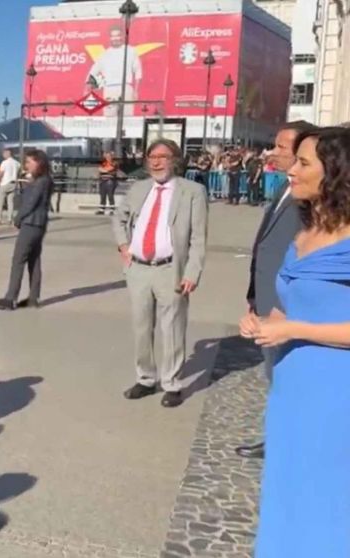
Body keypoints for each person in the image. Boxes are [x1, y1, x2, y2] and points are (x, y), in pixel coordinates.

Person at [242, 127, 350, 556]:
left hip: (336, 393)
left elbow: (308, 323)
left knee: (328, 498)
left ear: (336, 172)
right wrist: (267, 322)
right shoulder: (305, 230)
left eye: (304, 163)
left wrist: (293, 330)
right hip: (292, 389)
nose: (292, 170)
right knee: (288, 487)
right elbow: (296, 306)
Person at [235, 122, 316, 459]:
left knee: (289, 377)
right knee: (276, 374)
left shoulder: (311, 198)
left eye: (283, 147)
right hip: (267, 297)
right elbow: (265, 246)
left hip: (287, 306)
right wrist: (255, 296)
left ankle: (288, 442)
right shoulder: (286, 187)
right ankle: (279, 437)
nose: (274, 152)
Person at [113, 139, 208, 408]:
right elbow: (119, 218)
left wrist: (192, 272)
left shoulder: (192, 192)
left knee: (172, 328)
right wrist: (123, 246)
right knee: (141, 327)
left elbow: (198, 237)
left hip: (171, 269)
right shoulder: (139, 188)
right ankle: (145, 379)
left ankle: (172, 383)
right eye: (152, 157)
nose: (156, 162)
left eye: (162, 157)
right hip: (139, 269)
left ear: (174, 160)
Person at [0, 149, 54, 311]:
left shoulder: (40, 182)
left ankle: (11, 298)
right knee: (34, 260)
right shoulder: (45, 180)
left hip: (31, 223)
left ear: (38, 162)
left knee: (18, 259)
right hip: (39, 224)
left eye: (29, 162)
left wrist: (18, 218)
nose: (26, 165)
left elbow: (30, 203)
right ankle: (33, 297)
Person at [86, 25, 143, 117]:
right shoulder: (105, 54)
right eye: (113, 36)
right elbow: (93, 71)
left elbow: (138, 70)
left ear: (122, 36)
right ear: (110, 38)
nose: (115, 38)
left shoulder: (130, 51)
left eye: (117, 35)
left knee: (127, 118)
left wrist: (136, 91)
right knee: (109, 118)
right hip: (109, 90)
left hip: (126, 88)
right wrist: (87, 89)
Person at [0, 148, 22, 225]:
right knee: (10, 202)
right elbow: (19, 172)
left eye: (4, 153)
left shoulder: (4, 163)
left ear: (8, 153)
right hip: (13, 183)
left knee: (0, 202)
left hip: (5, 183)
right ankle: (10, 219)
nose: (3, 155)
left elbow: (1, 173)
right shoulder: (17, 163)